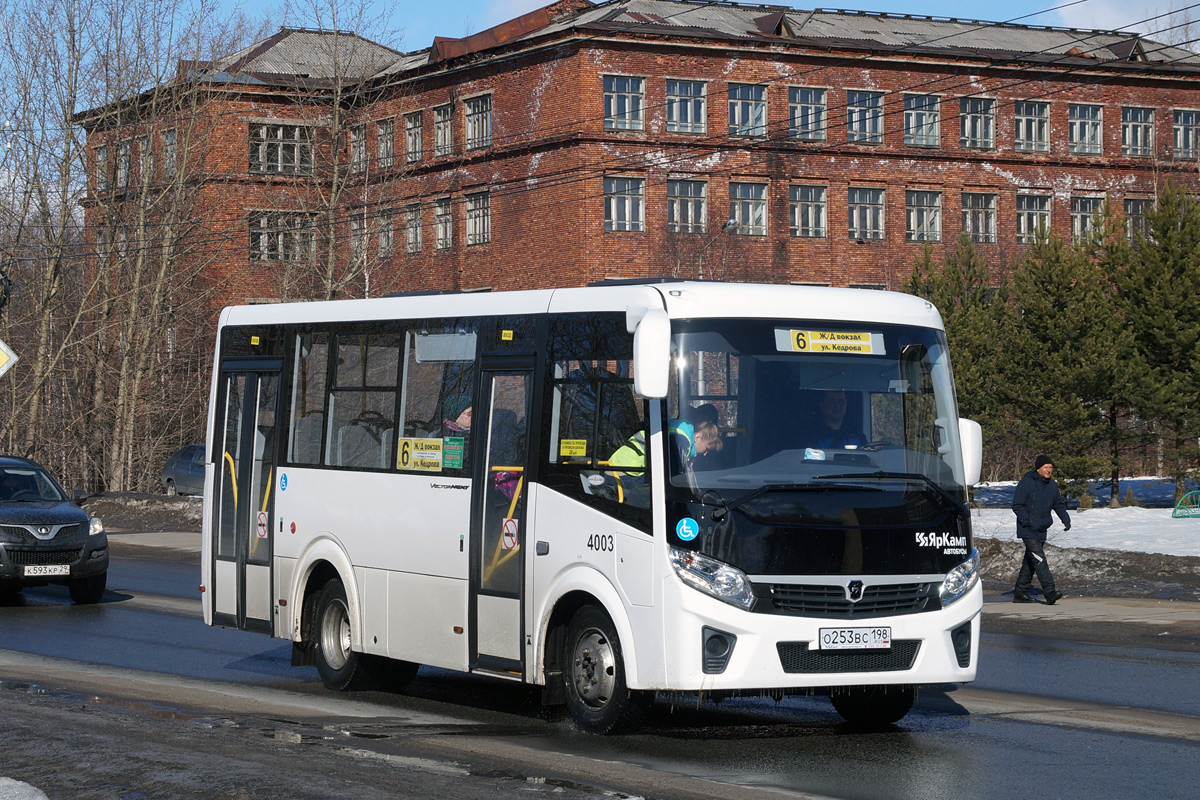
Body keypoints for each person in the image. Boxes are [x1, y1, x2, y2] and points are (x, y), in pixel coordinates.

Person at [1012, 454, 1069, 604]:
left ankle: (1020, 592)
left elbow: (1058, 504)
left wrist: (1065, 519)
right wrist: (1028, 521)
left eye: (1051, 467)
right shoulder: (1027, 482)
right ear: (1038, 469)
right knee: (1039, 559)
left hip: (1042, 528)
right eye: (1046, 467)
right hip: (1028, 529)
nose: (1049, 470)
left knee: (1031, 561)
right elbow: (1017, 505)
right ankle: (1050, 592)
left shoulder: (1052, 485)